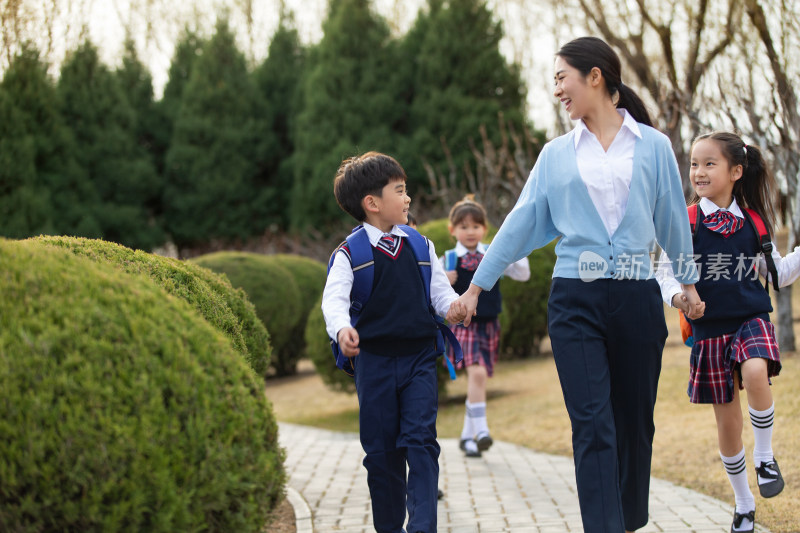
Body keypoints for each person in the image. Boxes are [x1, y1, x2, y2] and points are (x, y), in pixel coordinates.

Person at [453, 36, 704, 533]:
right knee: (592, 424)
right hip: (575, 300)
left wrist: (690, 282)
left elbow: (673, 220)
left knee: (634, 423)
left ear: (595, 77)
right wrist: (477, 286)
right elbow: (522, 222)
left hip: (635, 298)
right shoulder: (554, 155)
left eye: (561, 78)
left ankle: (628, 519)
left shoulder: (653, 146)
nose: (557, 90)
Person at [656, 132, 796, 533]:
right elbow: (664, 273)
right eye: (695, 164)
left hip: (751, 319)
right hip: (709, 333)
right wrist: (682, 298)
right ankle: (744, 502)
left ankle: (765, 457)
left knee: (756, 371)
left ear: (736, 171)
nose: (698, 171)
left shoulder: (754, 222)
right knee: (728, 425)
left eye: (709, 163)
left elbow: (779, 274)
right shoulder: (683, 221)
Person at [321, 151, 466, 533]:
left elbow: (440, 295)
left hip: (419, 359)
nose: (407, 199)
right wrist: (341, 329)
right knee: (383, 454)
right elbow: (333, 301)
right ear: (372, 203)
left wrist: (454, 308)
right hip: (375, 365)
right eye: (400, 191)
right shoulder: (349, 255)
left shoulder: (420, 246)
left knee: (421, 443)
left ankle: (422, 527)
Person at [441, 196, 530, 458]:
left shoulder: (494, 252)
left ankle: (467, 437)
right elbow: (429, 289)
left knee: (478, 380)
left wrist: (513, 245)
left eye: (476, 226)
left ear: (485, 229)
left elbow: (523, 274)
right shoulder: (446, 259)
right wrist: (445, 279)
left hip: (490, 323)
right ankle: (481, 430)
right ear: (452, 230)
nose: (470, 232)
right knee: (477, 375)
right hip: (462, 325)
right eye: (464, 226)